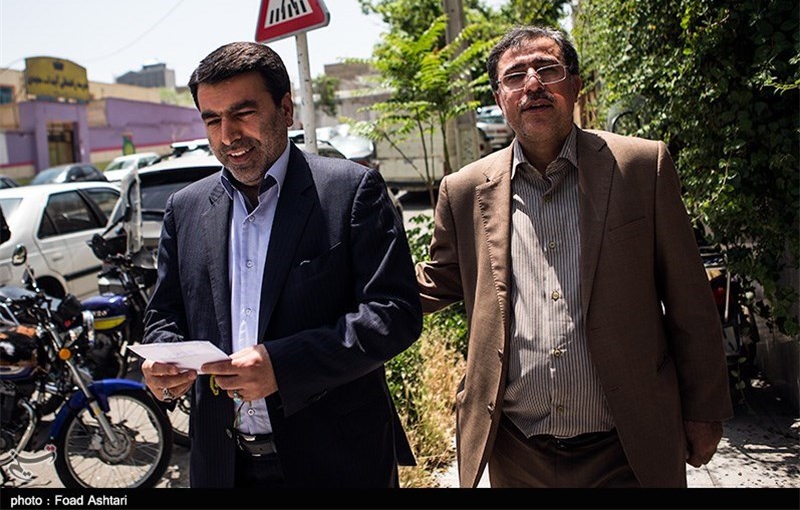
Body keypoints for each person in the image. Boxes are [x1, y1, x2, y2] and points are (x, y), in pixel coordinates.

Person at [415, 25, 733, 488]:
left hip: (626, 445)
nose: (532, 84)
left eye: (548, 69)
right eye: (515, 76)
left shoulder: (641, 167)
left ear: (576, 85)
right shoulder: (464, 190)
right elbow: (438, 280)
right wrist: (347, 288)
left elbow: (689, 298)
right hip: (517, 449)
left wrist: (705, 410)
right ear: (499, 98)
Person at [140, 41, 422, 488]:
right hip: (223, 467)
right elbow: (164, 314)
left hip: (336, 462)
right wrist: (164, 360)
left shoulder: (350, 191)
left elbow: (394, 314)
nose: (227, 135)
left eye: (243, 113)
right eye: (212, 119)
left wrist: (284, 366)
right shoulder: (185, 208)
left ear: (286, 109)